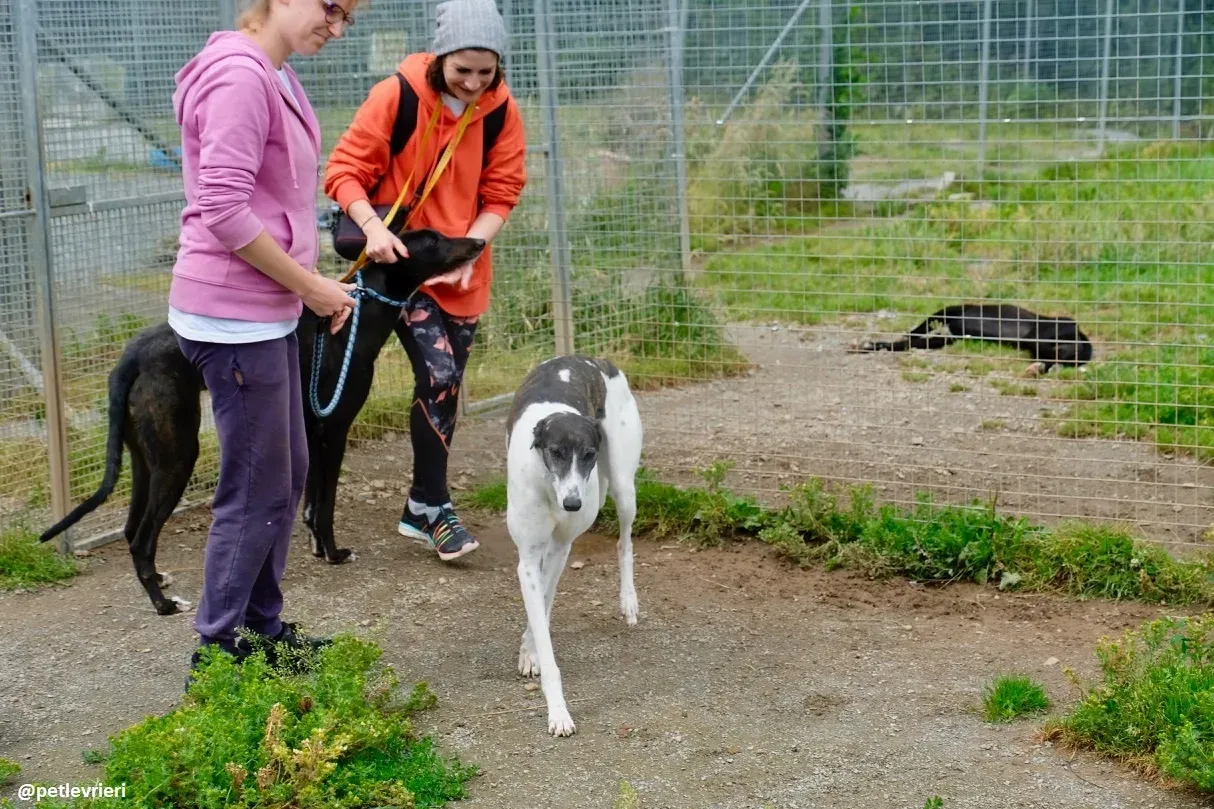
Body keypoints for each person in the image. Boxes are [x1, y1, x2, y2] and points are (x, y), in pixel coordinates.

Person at [169, 0, 359, 679]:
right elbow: (221, 207)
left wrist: (305, 283)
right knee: (255, 490)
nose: (335, 29)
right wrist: (309, 286)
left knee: (287, 477)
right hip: (232, 317)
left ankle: (262, 627)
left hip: (264, 310)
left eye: (348, 20)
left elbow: (267, 199)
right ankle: (217, 654)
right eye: (332, 9)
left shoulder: (274, 72)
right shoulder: (241, 74)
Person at [323, 0, 527, 562]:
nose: (474, 82)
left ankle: (420, 504)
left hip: (457, 269)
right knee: (430, 374)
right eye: (463, 69)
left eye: (487, 72)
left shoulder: (501, 111)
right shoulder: (398, 94)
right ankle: (436, 509)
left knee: (443, 387)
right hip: (394, 270)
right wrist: (372, 229)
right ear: (440, 57)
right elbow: (343, 172)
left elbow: (502, 192)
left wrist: (474, 250)